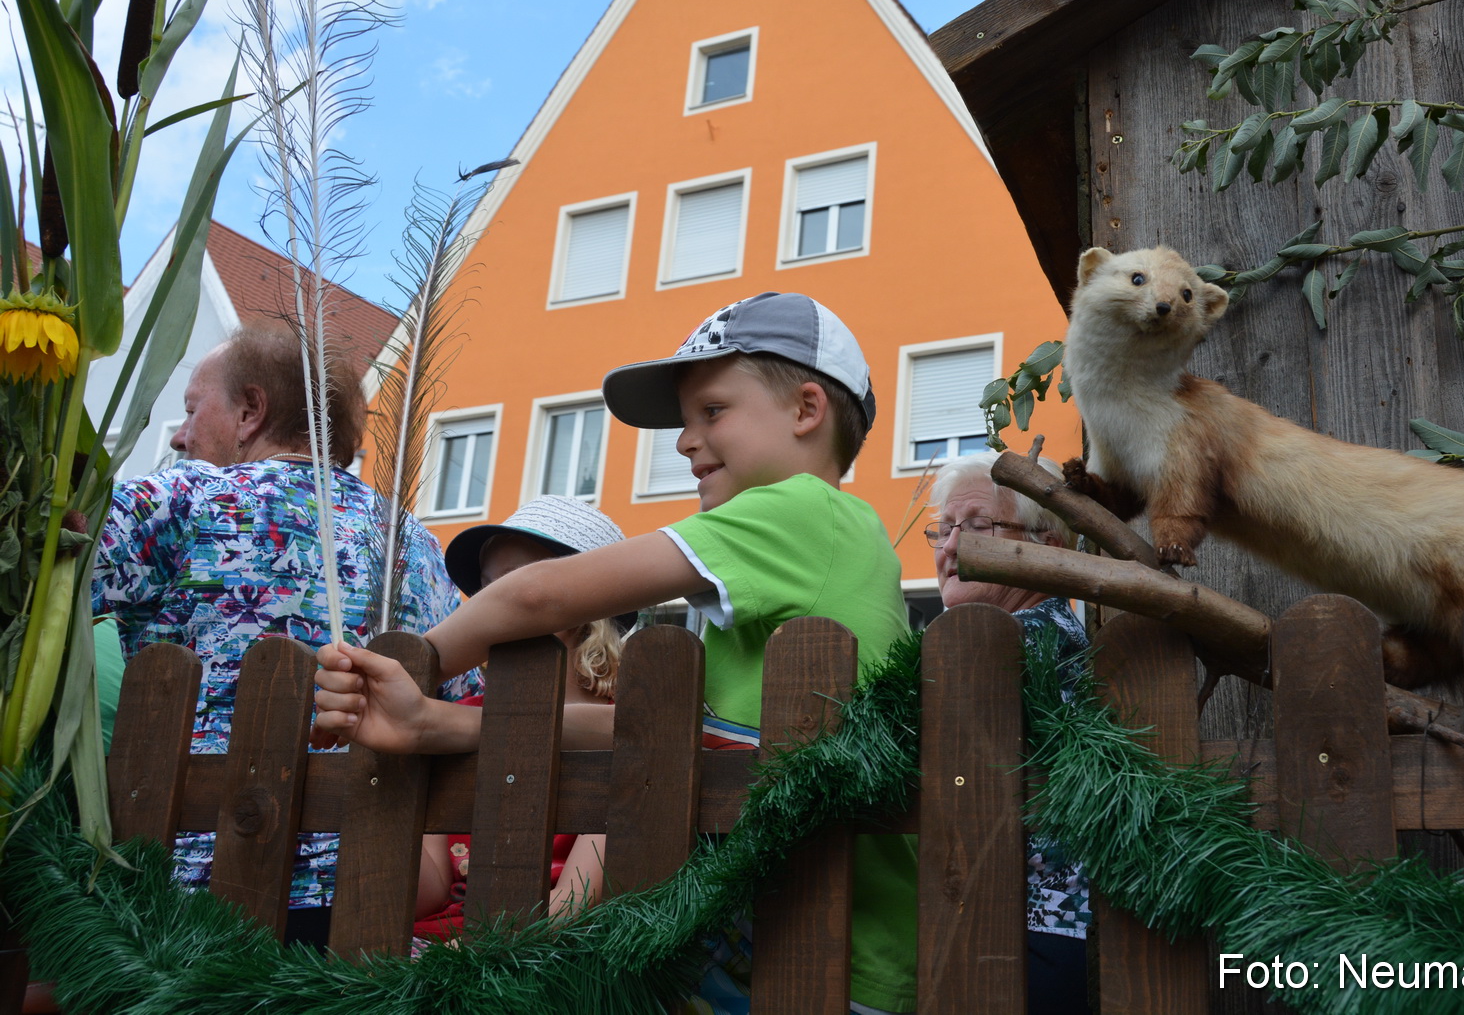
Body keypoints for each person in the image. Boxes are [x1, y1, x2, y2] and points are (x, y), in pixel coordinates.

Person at [313, 292, 918, 1015]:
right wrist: (433, 724)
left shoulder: (803, 512)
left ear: (806, 409)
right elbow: (660, 733)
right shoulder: (801, 568)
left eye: (713, 411)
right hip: (788, 950)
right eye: (686, 421)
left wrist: (421, 661)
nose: (686, 441)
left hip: (827, 960)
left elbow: (541, 596)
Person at [92, 322, 480, 950]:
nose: (183, 436)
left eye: (193, 411)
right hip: (368, 906)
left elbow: (41, 575)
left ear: (250, 410)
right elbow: (461, 700)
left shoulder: (182, 503)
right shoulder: (413, 544)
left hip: (184, 912)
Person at [414, 495, 630, 941]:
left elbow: (575, 904)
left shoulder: (624, 733)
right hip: (431, 945)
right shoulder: (451, 722)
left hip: (539, 957)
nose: (489, 605)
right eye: (485, 589)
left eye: (513, 587)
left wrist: (467, 956)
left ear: (585, 607)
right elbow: (429, 890)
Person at [926, 452, 1092, 1015]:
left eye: (975, 529)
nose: (949, 551)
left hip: (1031, 938)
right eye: (943, 531)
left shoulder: (1024, 642)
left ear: (1047, 547)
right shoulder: (1031, 633)